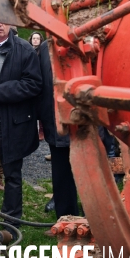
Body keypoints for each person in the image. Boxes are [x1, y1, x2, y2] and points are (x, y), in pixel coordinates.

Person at [0, 20, 42, 229]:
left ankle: (11, 224)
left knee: (12, 176)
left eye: (4, 21)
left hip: (11, 124)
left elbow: (34, 84)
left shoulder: (23, 49)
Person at [37, 40, 79, 217]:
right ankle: (66, 218)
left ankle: (96, 218)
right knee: (61, 172)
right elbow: (40, 84)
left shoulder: (82, 43)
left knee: (89, 174)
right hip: (55, 121)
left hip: (82, 122)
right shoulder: (45, 48)